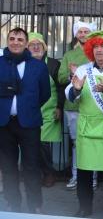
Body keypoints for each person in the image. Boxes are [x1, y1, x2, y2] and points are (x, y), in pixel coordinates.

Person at [65, 31, 103, 219]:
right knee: (83, 171)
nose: (99, 50)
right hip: (86, 126)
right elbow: (69, 94)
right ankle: (84, 207)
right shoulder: (83, 70)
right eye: (96, 47)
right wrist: (75, 89)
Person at [0, 28, 50, 212]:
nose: (15, 42)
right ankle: (13, 204)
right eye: (12, 38)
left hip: (29, 123)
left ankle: (34, 205)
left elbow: (45, 93)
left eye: (20, 39)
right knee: (8, 167)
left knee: (31, 166)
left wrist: (27, 107)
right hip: (4, 123)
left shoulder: (38, 66)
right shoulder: (0, 63)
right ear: (7, 40)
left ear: (26, 43)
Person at [58, 20, 97, 190]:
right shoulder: (68, 55)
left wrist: (79, 71)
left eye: (86, 31)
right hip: (73, 106)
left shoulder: (96, 53)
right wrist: (71, 75)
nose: (83, 34)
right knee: (76, 143)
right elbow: (60, 78)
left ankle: (93, 179)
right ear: (76, 34)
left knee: (92, 142)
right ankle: (76, 176)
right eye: (80, 31)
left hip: (93, 105)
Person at [28, 33, 65, 188]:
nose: (36, 47)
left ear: (44, 47)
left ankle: (49, 173)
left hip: (49, 109)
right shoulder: (24, 63)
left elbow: (61, 86)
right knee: (29, 143)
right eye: (32, 44)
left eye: (39, 44)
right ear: (27, 48)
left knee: (42, 143)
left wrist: (59, 107)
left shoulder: (53, 64)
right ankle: (33, 174)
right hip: (30, 109)